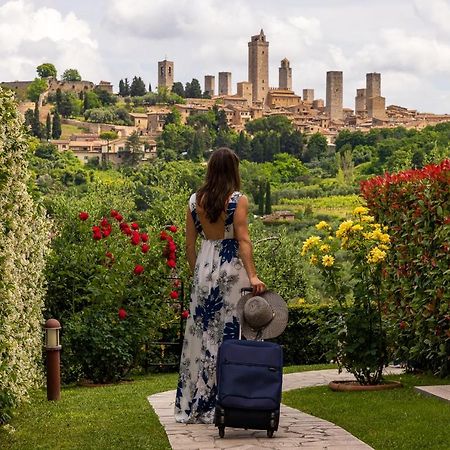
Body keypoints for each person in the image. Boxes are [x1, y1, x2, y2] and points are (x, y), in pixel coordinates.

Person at [174, 147, 265, 424]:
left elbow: (189, 245)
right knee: (230, 335)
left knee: (201, 337)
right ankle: (229, 399)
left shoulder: (194, 201)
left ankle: (196, 402)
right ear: (233, 171)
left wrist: (197, 275)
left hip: (203, 270)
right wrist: (253, 276)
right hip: (230, 272)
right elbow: (243, 241)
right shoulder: (238, 200)